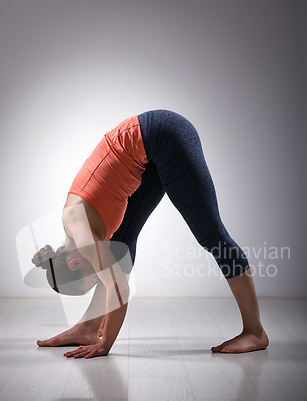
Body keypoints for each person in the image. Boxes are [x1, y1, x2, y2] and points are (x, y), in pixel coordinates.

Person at [32, 110, 269, 359]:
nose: (98, 279)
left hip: (164, 134)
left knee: (211, 234)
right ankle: (89, 327)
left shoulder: (83, 237)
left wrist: (105, 346)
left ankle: (255, 332)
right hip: (146, 151)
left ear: (75, 262)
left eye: (92, 279)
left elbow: (119, 288)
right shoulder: (76, 232)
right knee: (119, 243)